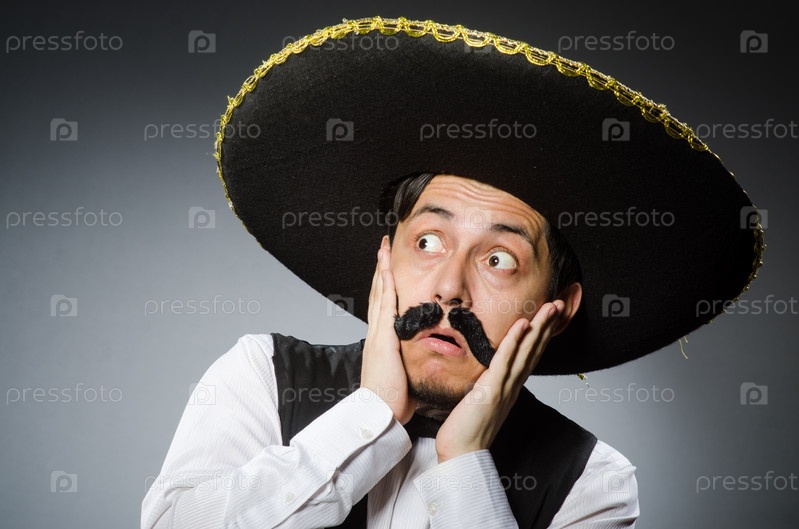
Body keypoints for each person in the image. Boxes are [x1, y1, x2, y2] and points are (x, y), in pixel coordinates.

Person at [141, 16, 764, 529]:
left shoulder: (592, 485)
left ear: (557, 309)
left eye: (499, 260)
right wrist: (372, 416)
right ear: (387, 258)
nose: (449, 287)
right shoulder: (263, 375)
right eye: (429, 242)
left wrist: (464, 462)